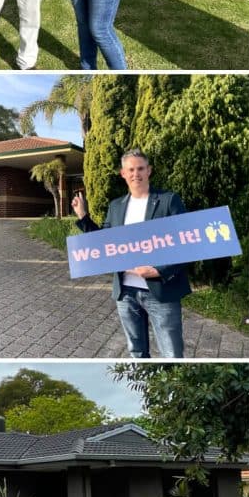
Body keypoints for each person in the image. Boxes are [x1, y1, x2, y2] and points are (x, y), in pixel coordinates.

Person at [71, 148, 191, 358]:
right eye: (131, 170)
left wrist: (159, 270)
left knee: (172, 353)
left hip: (161, 291)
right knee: (136, 352)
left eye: (140, 168)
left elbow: (187, 243)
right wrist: (83, 217)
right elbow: (105, 244)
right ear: (123, 174)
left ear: (149, 171)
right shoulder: (116, 206)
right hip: (125, 292)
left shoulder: (168, 201)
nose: (136, 174)